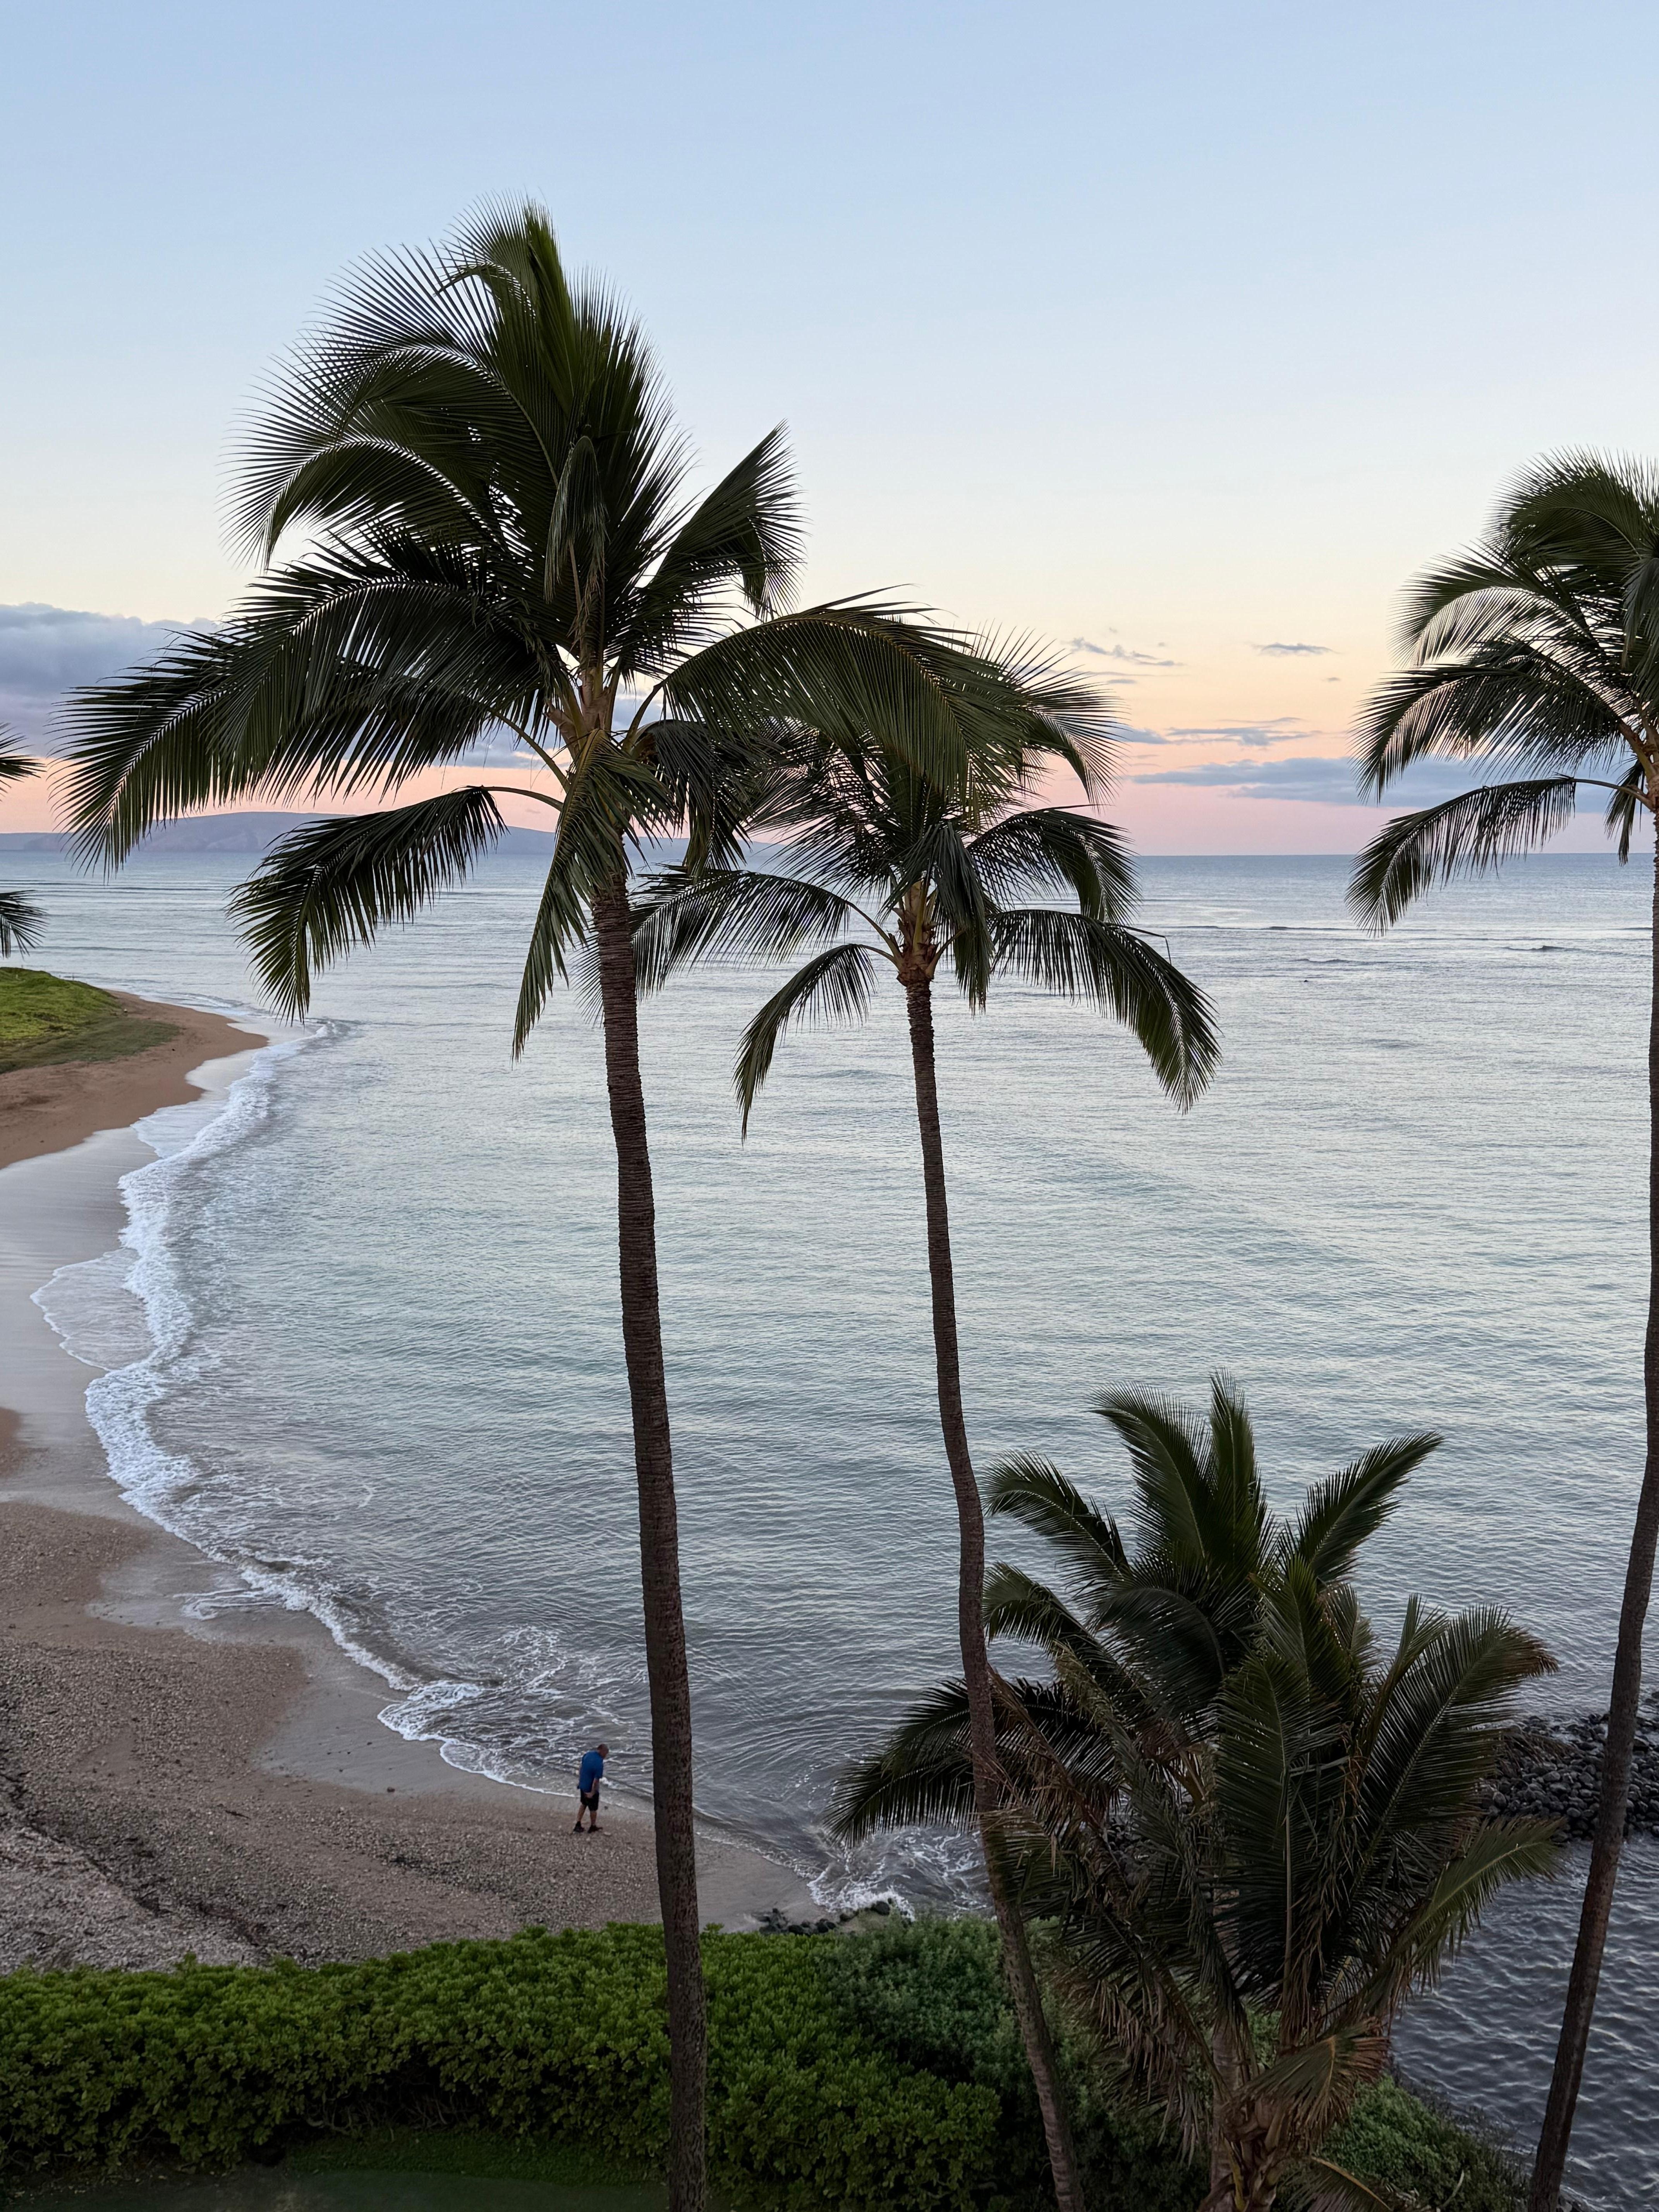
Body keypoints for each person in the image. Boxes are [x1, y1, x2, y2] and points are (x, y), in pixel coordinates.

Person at [574, 1742, 608, 1834]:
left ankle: (578, 1824)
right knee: (593, 1809)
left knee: (584, 1804)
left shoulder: (588, 1755)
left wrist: (580, 1782)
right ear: (601, 1751)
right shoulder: (599, 1764)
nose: (606, 1756)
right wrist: (592, 1793)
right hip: (589, 1788)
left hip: (583, 1785)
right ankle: (593, 1826)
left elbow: (581, 1768)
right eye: (606, 1753)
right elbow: (596, 1781)